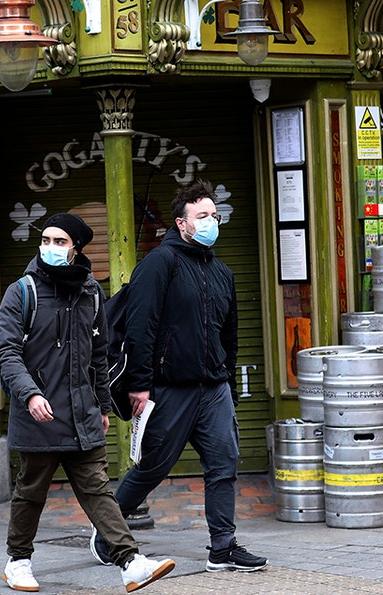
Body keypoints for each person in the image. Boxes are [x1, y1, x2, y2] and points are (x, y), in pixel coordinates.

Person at [90, 180, 268, 573]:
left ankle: (222, 548)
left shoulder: (222, 272)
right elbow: (141, 326)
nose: (210, 222)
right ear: (181, 223)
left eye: (215, 216)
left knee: (224, 464)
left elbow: (230, 336)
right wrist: (139, 383)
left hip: (213, 388)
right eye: (202, 216)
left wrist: (230, 388)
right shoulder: (160, 263)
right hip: (170, 388)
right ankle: (108, 532)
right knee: (153, 465)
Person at [0, 212, 175, 593]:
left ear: (76, 249)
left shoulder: (90, 293)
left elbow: (99, 355)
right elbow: (6, 352)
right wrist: (30, 394)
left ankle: (130, 562)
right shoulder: (22, 291)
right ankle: (18, 561)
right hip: (39, 414)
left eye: (60, 242)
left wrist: (104, 407)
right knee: (31, 490)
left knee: (98, 490)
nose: (51, 248)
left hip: (83, 413)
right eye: (45, 240)